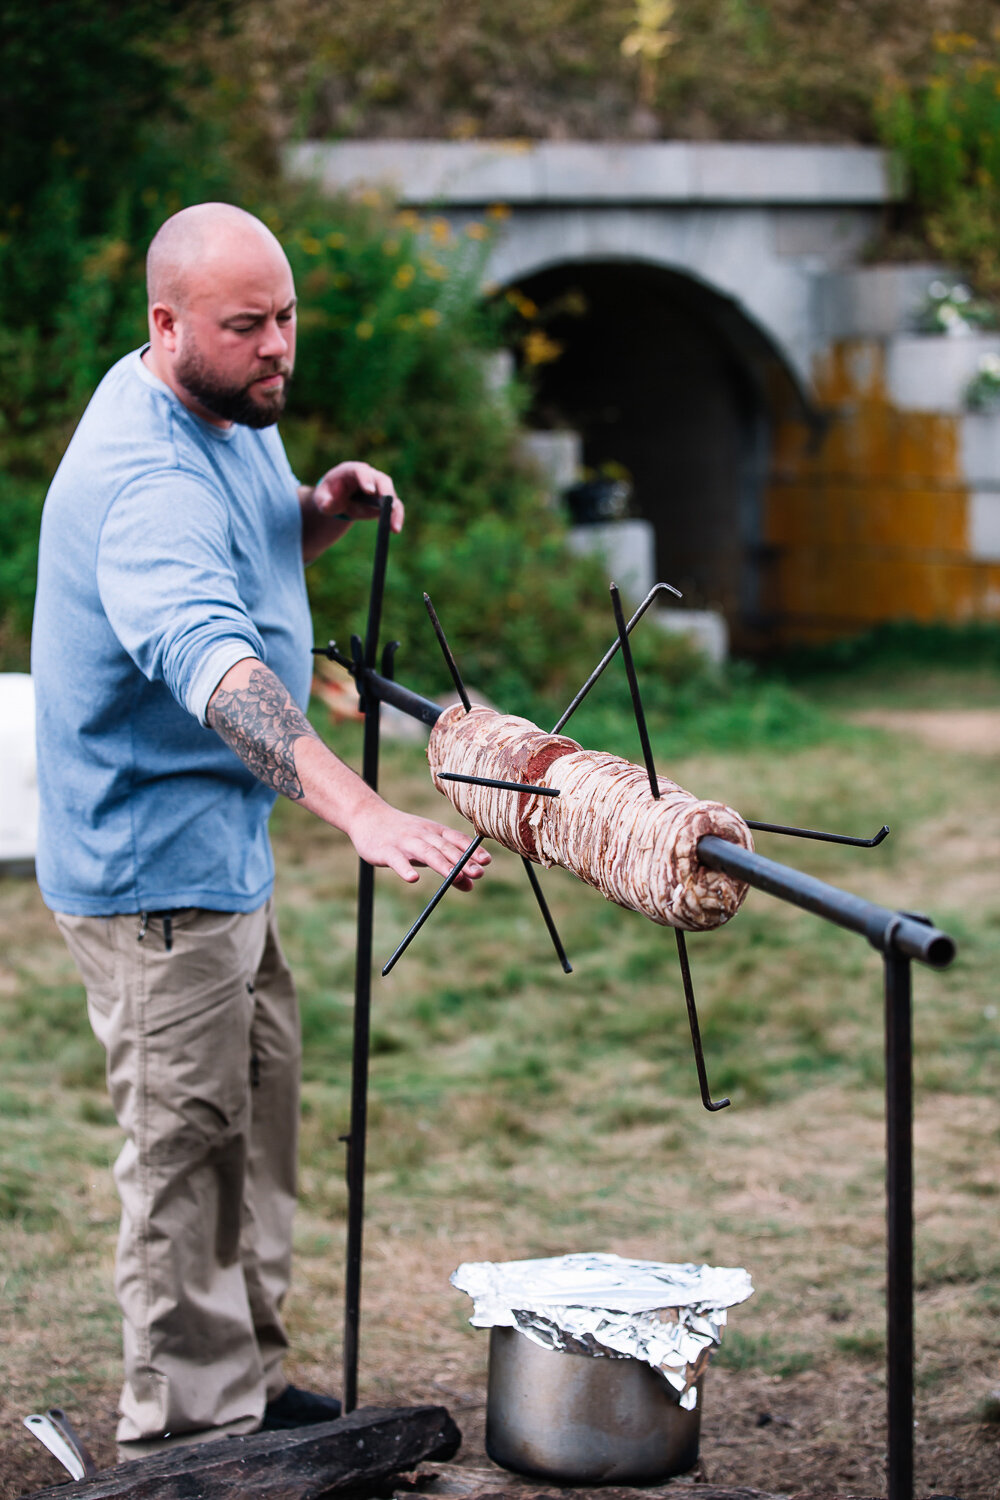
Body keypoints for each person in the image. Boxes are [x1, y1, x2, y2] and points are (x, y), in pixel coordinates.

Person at [30, 202, 490, 1457]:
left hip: (219, 861)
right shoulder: (144, 478)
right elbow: (212, 664)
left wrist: (314, 514)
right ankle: (188, 1429)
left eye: (286, 318)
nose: (278, 346)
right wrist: (359, 807)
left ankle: (246, 1378)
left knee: (258, 1121)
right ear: (165, 323)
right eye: (248, 327)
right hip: (151, 881)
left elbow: (242, 533)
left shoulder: (221, 410)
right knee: (185, 1149)